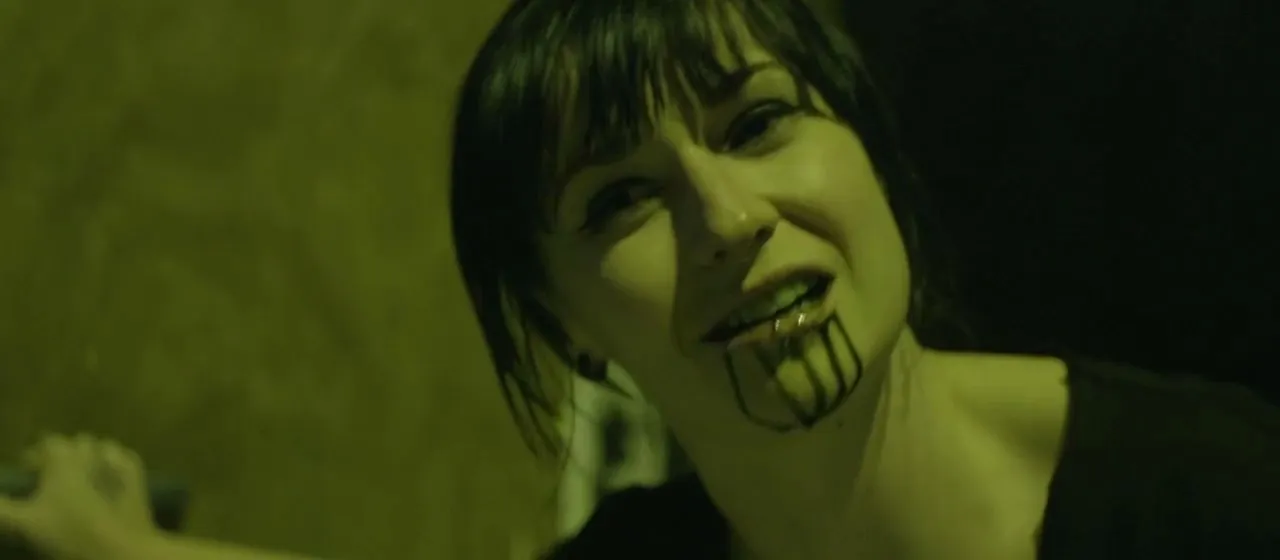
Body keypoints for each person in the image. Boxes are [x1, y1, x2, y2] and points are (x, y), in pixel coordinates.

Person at [2, 0, 1279, 558]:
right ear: (564, 325)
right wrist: (118, 546)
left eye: (759, 121)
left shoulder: (1216, 499)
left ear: (868, 152)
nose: (727, 216)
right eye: (618, 198)